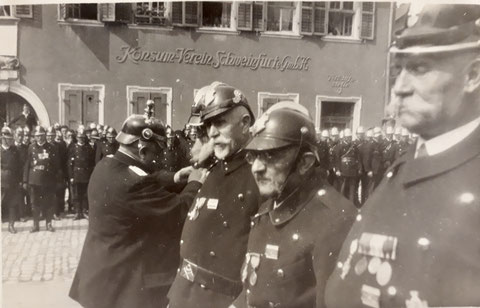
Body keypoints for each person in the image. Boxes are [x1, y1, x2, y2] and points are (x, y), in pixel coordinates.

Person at [325, 4, 480, 307]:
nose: (400, 89)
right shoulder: (403, 167)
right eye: (399, 71)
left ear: (473, 75)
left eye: (419, 69)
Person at [69, 102, 208, 308]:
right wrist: (196, 182)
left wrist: (175, 177)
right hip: (121, 288)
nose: (159, 160)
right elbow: (179, 211)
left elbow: (142, 175)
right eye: (156, 154)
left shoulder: (107, 165)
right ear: (142, 149)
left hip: (98, 277)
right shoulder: (133, 185)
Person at [229, 104, 355, 308]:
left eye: (270, 155)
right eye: (254, 156)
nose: (256, 168)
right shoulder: (268, 209)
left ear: (305, 162)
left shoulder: (335, 219)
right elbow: (252, 292)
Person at [167, 82, 260, 308]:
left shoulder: (259, 175)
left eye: (220, 122)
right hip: (184, 294)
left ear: (245, 122)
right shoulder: (215, 168)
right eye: (208, 125)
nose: (211, 133)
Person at [23, 126, 60, 232]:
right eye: (37, 136)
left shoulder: (51, 148)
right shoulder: (31, 147)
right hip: (34, 180)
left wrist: (56, 179)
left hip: (48, 180)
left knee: (49, 202)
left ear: (44, 136)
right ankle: (36, 225)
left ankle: (48, 224)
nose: (39, 138)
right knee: (35, 203)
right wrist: (25, 180)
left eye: (41, 136)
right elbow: (27, 164)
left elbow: (56, 165)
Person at [68, 128, 95, 220]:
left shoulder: (89, 149)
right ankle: (77, 212)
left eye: (83, 138)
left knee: (85, 194)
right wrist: (71, 176)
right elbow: (69, 164)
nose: (81, 139)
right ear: (77, 138)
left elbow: (92, 163)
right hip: (76, 174)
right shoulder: (73, 148)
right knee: (76, 194)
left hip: (86, 174)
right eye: (79, 137)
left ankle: (84, 211)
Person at [1, 124, 22, 233]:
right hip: (2, 181)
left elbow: (19, 166)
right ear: (2, 138)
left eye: (10, 139)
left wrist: (19, 180)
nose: (9, 141)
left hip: (13, 181)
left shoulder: (15, 150)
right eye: (7, 139)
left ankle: (11, 225)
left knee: (12, 204)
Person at [334, 128, 361, 205]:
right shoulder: (339, 146)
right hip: (343, 171)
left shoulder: (354, 147)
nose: (349, 138)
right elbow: (337, 159)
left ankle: (351, 205)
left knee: (352, 190)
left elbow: (357, 158)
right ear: (344, 137)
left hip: (352, 171)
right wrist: (338, 170)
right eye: (347, 137)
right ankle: (341, 205)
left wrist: (359, 168)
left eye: (350, 137)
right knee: (342, 189)